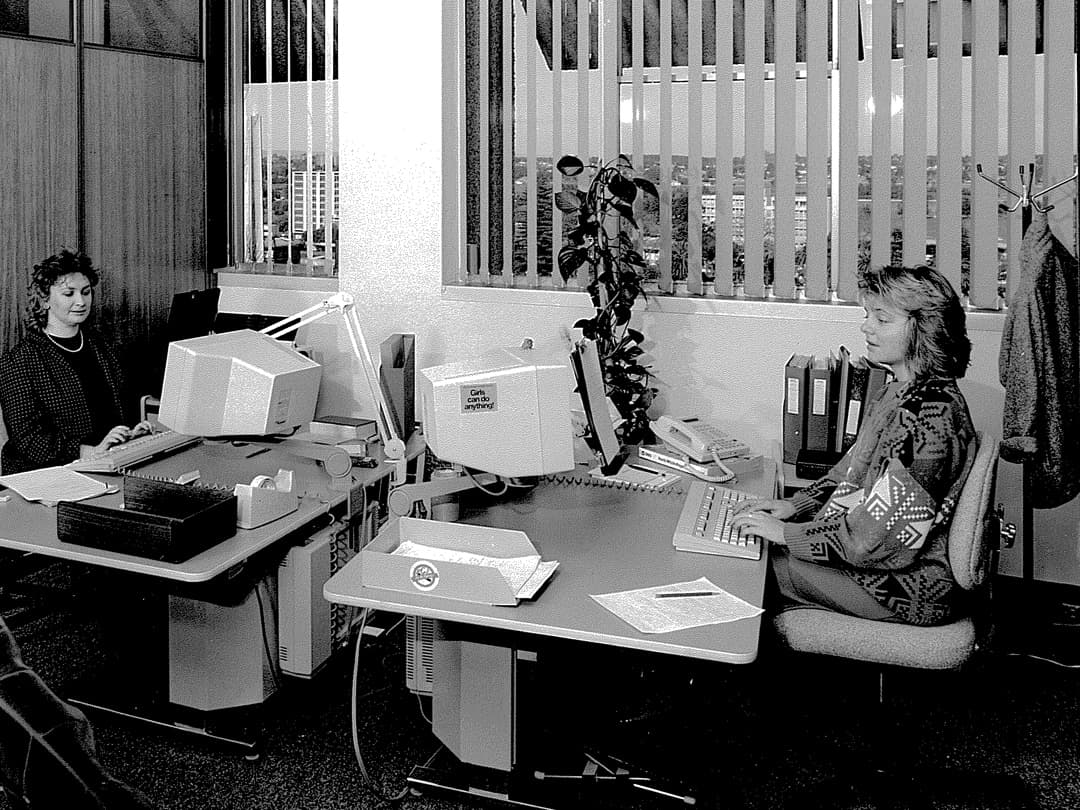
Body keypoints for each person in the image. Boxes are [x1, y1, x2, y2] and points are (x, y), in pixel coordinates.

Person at [732, 264, 976, 626]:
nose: (866, 327)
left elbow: (869, 541)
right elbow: (849, 471)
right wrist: (794, 506)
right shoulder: (898, 392)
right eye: (867, 315)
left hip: (903, 588)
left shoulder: (930, 419)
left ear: (924, 328)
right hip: (875, 566)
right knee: (749, 552)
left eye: (881, 319)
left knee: (748, 571)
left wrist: (785, 534)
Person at [0, 249, 152, 474]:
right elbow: (29, 440)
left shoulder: (100, 345)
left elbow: (119, 404)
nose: (81, 301)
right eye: (69, 294)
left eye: (86, 292)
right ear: (45, 300)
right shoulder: (19, 361)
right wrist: (90, 452)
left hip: (107, 462)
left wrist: (131, 433)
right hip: (49, 474)